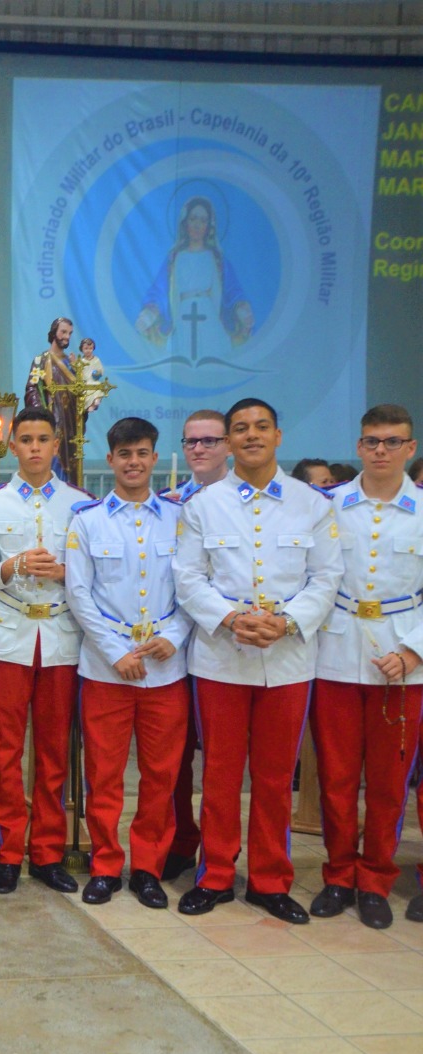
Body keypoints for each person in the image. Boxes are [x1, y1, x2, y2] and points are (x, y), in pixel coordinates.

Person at [173, 397, 341, 923]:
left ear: (278, 436)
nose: (251, 436)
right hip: (222, 658)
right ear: (227, 441)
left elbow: (326, 578)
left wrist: (286, 621)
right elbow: (188, 578)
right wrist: (230, 619)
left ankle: (271, 879)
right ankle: (216, 873)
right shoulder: (203, 505)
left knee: (273, 776)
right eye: (239, 429)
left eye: (260, 427)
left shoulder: (312, 504)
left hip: (288, 659)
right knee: (220, 772)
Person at [64, 418, 192, 909]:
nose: (133, 462)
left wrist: (174, 636)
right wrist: (116, 652)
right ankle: (104, 864)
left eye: (142, 453)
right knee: (104, 773)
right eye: (124, 454)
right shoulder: (88, 520)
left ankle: (148, 868)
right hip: (106, 670)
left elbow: (193, 586)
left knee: (161, 776)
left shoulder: (179, 519)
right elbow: (79, 594)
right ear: (111, 459)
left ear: (154, 458)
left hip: (165, 669)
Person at [0, 406, 94, 896]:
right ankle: (7, 851)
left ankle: (46, 851)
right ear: (14, 445)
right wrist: (13, 563)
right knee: (4, 749)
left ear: (57, 445)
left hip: (61, 636)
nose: (36, 447)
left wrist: (66, 572)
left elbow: (94, 575)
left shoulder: (80, 504)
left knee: (53, 750)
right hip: (9, 632)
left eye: (44, 438)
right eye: (26, 439)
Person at [308, 406, 422, 930]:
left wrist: (413, 652)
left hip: (401, 664)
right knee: (335, 776)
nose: (381, 450)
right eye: (372, 441)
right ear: (358, 447)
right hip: (334, 655)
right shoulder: (328, 507)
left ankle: (375, 878)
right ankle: (338, 875)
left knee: (387, 781)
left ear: (410, 448)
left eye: (392, 441)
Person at [160, 408, 231, 882]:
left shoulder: (241, 503)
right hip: (172, 653)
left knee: (223, 764)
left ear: (226, 445)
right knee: (174, 760)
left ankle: (223, 854)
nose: (199, 449)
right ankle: (180, 841)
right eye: (191, 442)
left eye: (209, 441)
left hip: (225, 645)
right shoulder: (168, 504)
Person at [135, 195, 254, 362]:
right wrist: (150, 312)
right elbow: (160, 290)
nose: (197, 225)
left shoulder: (216, 258)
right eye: (193, 219)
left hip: (209, 318)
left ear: (209, 226)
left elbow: (232, 290)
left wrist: (242, 309)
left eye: (203, 220)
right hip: (182, 317)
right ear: (185, 222)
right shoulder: (175, 258)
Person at [25, 318, 81, 478]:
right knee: (52, 462)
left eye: (70, 333)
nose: (67, 337)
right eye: (63, 332)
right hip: (50, 422)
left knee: (70, 464)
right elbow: (32, 388)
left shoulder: (72, 364)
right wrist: (42, 415)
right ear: (54, 332)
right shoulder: (41, 360)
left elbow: (80, 392)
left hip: (70, 424)